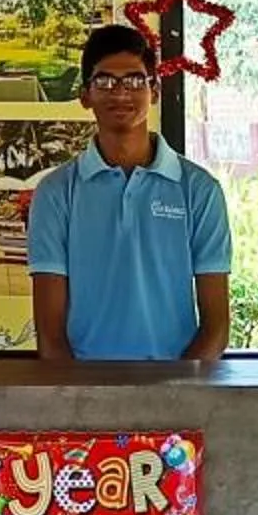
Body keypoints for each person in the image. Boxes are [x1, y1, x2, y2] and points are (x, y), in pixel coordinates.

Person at [27, 23, 232, 362]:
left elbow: (216, 326)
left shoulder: (199, 190)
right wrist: (81, 405)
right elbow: (50, 335)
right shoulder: (55, 193)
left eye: (136, 80)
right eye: (105, 81)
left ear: (155, 91)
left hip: (175, 396)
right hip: (84, 398)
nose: (121, 93)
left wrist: (173, 395)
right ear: (85, 95)